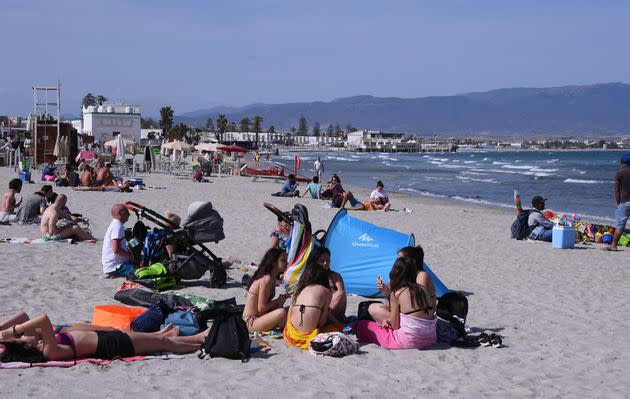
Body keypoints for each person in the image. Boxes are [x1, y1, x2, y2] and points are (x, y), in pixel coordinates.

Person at [0, 312, 208, 362]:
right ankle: (200, 343)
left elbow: (23, 316)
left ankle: (200, 339)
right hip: (111, 346)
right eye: (22, 340)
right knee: (164, 343)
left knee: (162, 341)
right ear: (26, 347)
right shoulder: (48, 351)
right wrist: (12, 333)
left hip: (107, 341)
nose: (25, 337)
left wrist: (3, 332)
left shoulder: (42, 345)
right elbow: (43, 320)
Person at [354, 257, 436, 350]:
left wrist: (386, 322)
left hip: (410, 340)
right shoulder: (423, 289)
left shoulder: (397, 293)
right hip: (431, 338)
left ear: (395, 273)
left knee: (362, 325)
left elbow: (395, 326)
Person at [283, 259, 343, 349]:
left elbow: (289, 316)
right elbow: (321, 322)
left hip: (290, 336)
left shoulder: (298, 290)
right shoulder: (326, 291)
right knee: (336, 328)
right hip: (307, 338)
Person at [370, 245, 436, 321]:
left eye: (400, 259)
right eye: (397, 259)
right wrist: (386, 291)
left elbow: (418, 304)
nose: (397, 262)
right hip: (406, 312)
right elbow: (395, 302)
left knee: (375, 310)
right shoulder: (402, 274)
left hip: (420, 317)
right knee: (375, 307)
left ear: (412, 261)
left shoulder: (421, 275)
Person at [242, 248, 290, 332]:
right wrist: (278, 301)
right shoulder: (266, 279)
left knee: (291, 309)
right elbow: (261, 308)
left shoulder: (272, 277)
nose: (287, 263)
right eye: (283, 260)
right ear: (274, 263)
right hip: (251, 321)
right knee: (282, 312)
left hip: (260, 316)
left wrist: (282, 299)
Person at [308, 247, 346, 324]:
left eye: (328, 260)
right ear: (315, 261)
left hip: (332, 310)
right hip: (317, 309)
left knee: (340, 293)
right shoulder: (310, 276)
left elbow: (341, 294)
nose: (326, 263)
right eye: (322, 261)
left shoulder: (335, 276)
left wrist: (326, 311)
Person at [605, 152, 630, 251]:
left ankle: (614, 245)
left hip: (625, 201)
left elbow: (617, 190)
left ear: (622, 162)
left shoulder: (620, 173)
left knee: (620, 225)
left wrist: (618, 202)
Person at [102, 204, 135, 277]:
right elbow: (116, 250)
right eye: (127, 214)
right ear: (120, 214)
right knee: (139, 272)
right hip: (115, 266)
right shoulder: (117, 227)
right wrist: (130, 256)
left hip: (114, 264)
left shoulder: (115, 224)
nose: (129, 216)